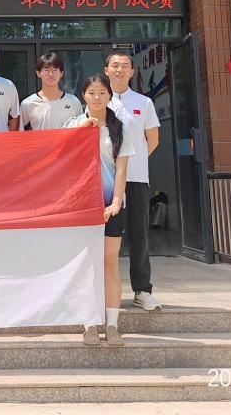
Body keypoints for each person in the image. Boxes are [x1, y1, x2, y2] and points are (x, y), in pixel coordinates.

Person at [64, 73, 134, 346]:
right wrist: (83, 128)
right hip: (82, 205)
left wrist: (116, 202)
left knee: (109, 264)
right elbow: (62, 156)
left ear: (109, 96)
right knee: (87, 266)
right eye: (92, 93)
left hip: (110, 205)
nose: (96, 97)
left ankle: (112, 325)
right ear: (83, 95)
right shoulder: (73, 124)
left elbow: (121, 169)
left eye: (102, 93)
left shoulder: (120, 128)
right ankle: (89, 325)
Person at [105, 50, 163, 312]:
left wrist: (131, 162)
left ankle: (142, 290)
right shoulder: (99, 100)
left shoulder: (144, 102)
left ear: (132, 71)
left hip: (136, 178)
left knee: (139, 235)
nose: (119, 70)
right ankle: (103, 291)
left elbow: (154, 140)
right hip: (106, 181)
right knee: (105, 237)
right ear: (106, 70)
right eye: (115, 65)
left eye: (124, 66)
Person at [20, 52, 84, 131]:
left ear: (61, 73)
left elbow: (81, 131)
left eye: (55, 70)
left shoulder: (73, 102)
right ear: (38, 73)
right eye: (46, 70)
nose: (50, 74)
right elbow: (22, 134)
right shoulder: (27, 104)